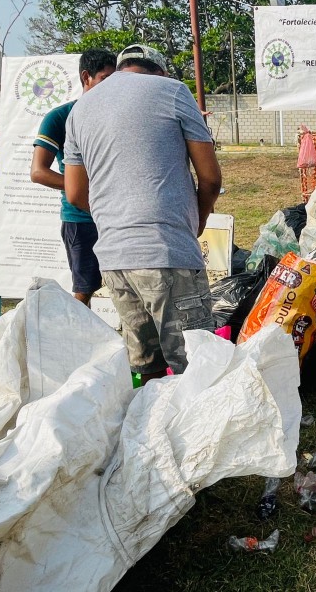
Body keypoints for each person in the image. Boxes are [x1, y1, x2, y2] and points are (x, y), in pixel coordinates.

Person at [64, 44, 223, 384]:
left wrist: (116, 216)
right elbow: (210, 178)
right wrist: (198, 221)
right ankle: (198, 434)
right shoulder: (172, 91)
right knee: (196, 365)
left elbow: (75, 193)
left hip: (114, 259)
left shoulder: (80, 109)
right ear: (161, 71)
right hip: (166, 249)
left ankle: (151, 432)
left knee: (147, 367)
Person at [30, 49, 117, 305]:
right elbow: (38, 172)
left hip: (120, 216)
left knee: (129, 285)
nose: (111, 88)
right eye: (105, 79)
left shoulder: (118, 115)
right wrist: (78, 189)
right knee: (84, 290)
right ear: (86, 77)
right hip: (81, 217)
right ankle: (78, 341)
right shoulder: (60, 117)